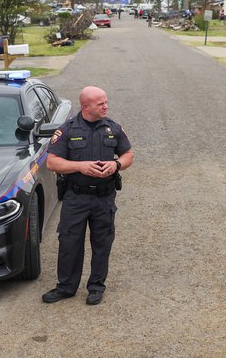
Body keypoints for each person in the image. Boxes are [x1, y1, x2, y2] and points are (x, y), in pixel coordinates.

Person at [42, 86, 134, 306]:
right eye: (100, 103)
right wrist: (80, 166)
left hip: (104, 198)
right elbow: (52, 162)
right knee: (69, 242)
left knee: (102, 242)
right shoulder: (67, 130)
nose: (106, 106)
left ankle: (96, 286)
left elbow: (128, 154)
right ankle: (66, 287)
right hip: (76, 198)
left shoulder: (113, 128)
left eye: (105, 102)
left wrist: (117, 164)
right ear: (85, 106)